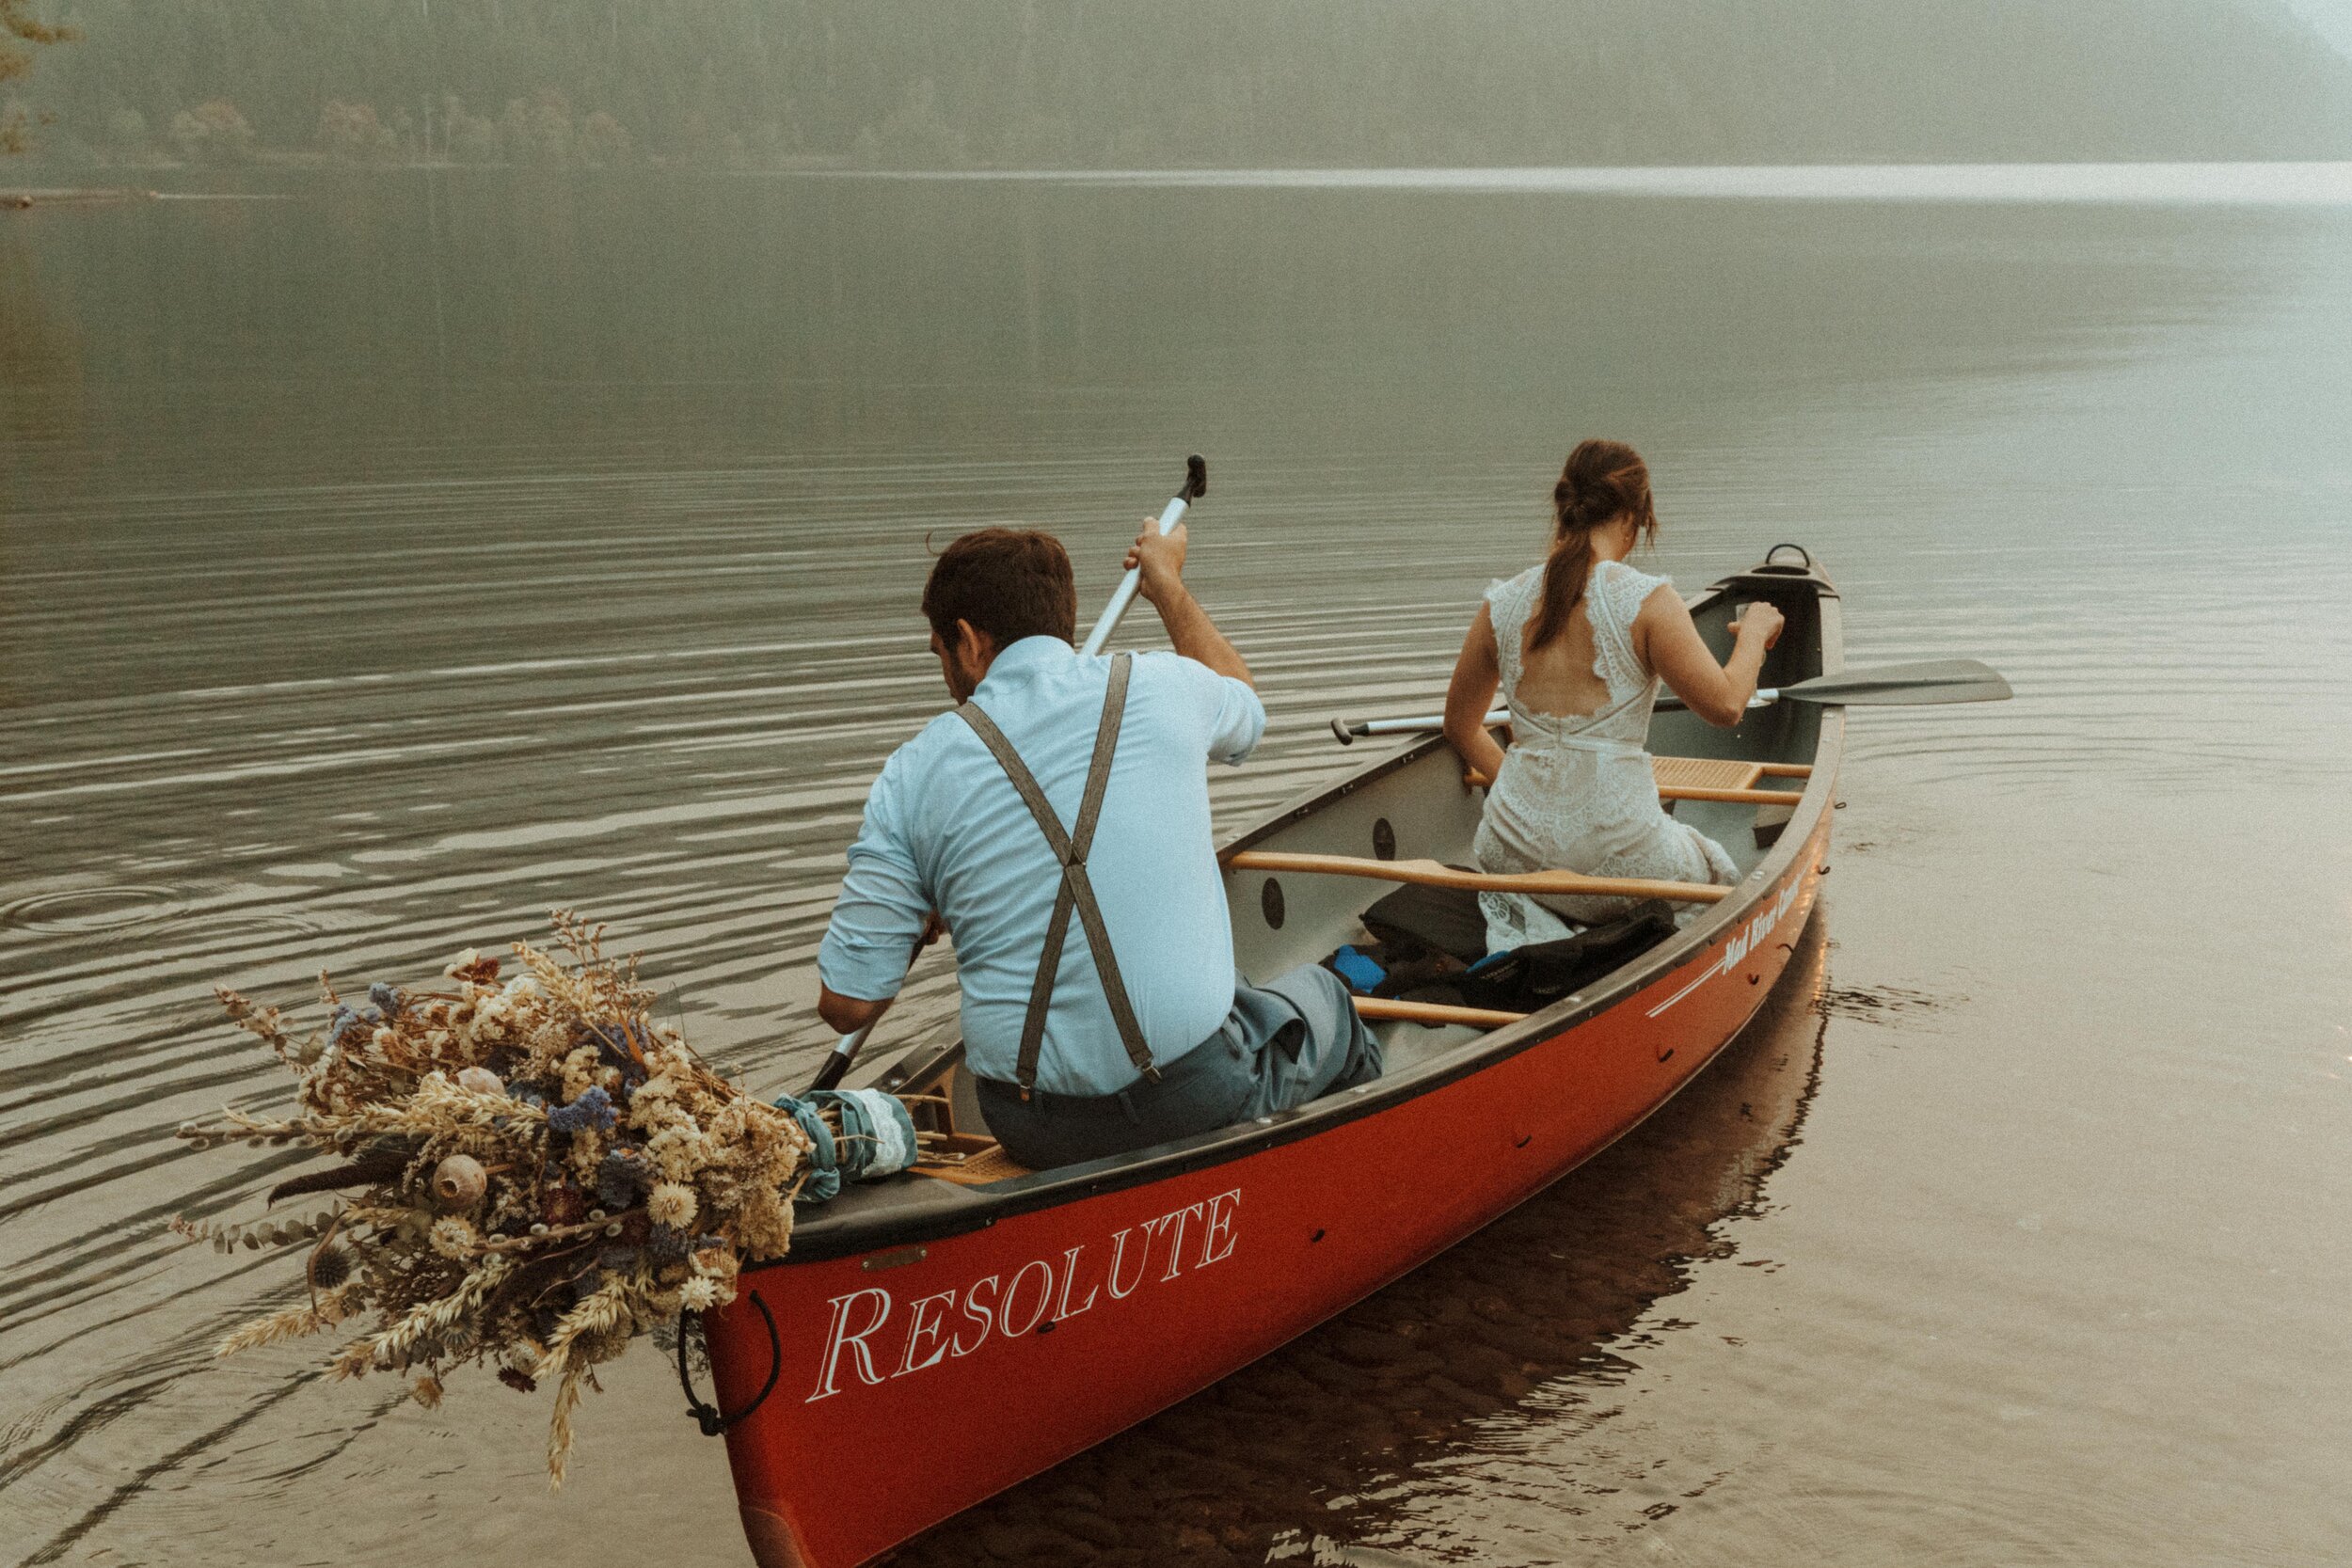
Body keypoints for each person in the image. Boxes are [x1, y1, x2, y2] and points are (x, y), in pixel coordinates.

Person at [816, 523, 1380, 1170]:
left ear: (968, 641)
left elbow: (847, 1005)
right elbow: (1245, 707)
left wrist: (925, 903)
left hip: (1028, 1123)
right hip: (1190, 1098)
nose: (945, 668)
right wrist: (1166, 584)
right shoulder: (1167, 685)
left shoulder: (912, 775)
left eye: (939, 650)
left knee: (1244, 993)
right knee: (1326, 996)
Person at [1441, 439, 1786, 951]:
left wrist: (1520, 794)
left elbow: (1460, 725)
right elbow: (1727, 706)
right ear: (1636, 517)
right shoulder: (1646, 600)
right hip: (1620, 858)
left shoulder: (1503, 603)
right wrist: (1756, 633)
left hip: (1508, 850)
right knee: (1715, 873)